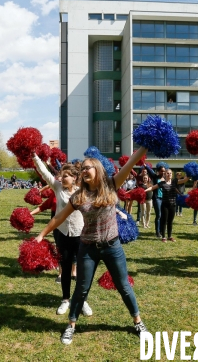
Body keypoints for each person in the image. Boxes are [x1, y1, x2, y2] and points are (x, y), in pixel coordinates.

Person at [35, 148, 149, 345]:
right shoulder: (78, 196)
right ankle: (71, 325)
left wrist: (146, 145)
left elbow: (131, 162)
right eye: (83, 169)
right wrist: (41, 234)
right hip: (88, 248)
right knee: (81, 288)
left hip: (112, 246)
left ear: (97, 169)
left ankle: (138, 322)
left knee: (123, 286)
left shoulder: (112, 184)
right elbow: (59, 217)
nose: (84, 171)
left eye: (87, 168)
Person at [33, 153, 92, 317]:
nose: (62, 177)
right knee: (65, 268)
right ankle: (65, 299)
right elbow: (45, 173)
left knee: (82, 269)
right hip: (62, 234)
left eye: (66, 175)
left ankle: (82, 300)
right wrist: (35, 157)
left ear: (74, 177)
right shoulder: (57, 188)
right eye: (61, 175)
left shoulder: (83, 191)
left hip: (81, 235)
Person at [145, 169, 188, 242]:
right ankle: (164, 237)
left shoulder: (175, 182)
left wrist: (189, 174)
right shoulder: (162, 183)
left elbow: (184, 180)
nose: (169, 174)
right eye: (167, 173)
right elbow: (152, 187)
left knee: (170, 221)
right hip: (165, 205)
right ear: (165, 174)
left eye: (170, 173)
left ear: (172, 174)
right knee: (164, 221)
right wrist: (144, 191)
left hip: (173, 204)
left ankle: (170, 236)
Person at [146, 163, 166, 238]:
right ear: (158, 171)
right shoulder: (155, 177)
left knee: (163, 215)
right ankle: (157, 232)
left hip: (164, 199)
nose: (163, 172)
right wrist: (145, 165)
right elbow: (150, 171)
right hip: (157, 198)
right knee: (159, 215)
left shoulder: (165, 179)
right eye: (161, 171)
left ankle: (161, 230)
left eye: (164, 171)